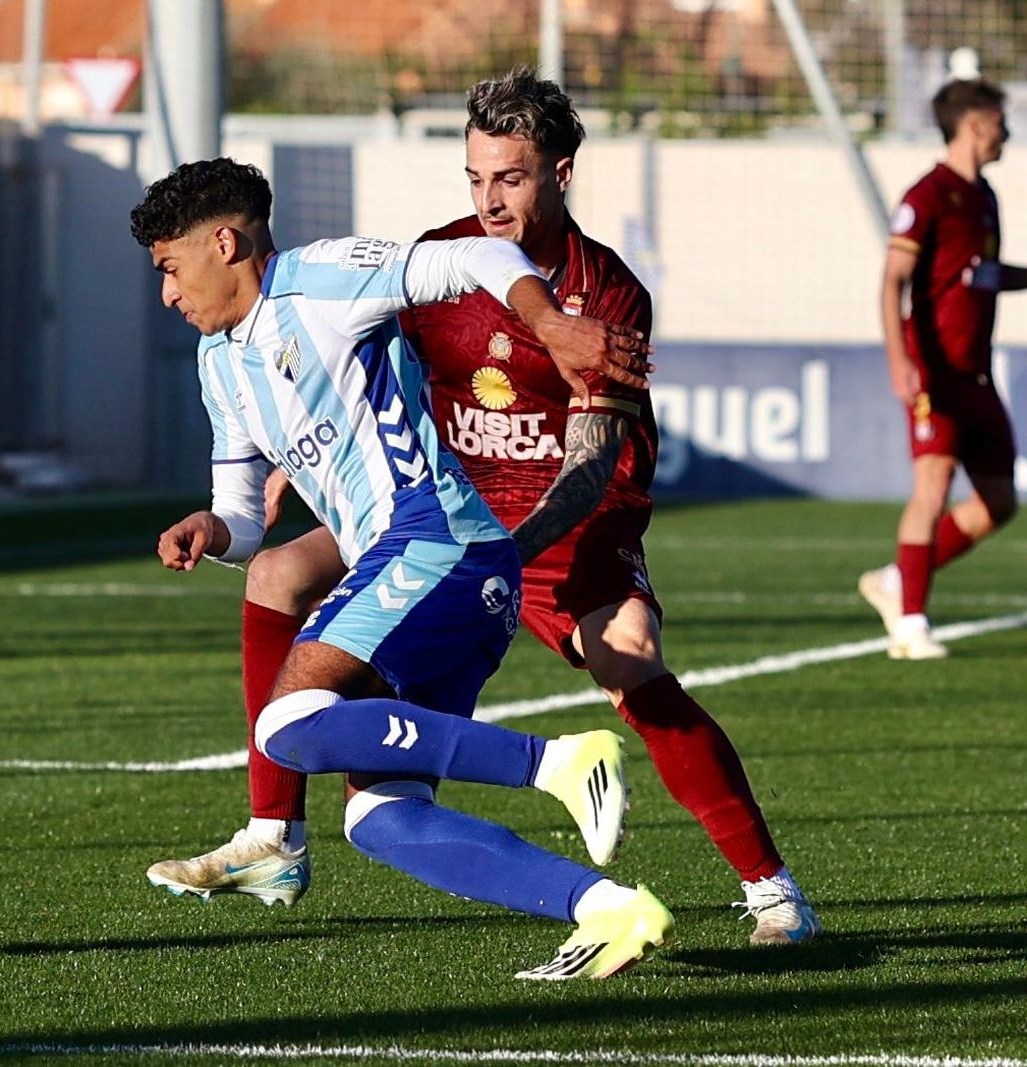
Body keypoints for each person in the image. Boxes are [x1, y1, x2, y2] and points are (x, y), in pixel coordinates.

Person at [145, 70, 821, 946]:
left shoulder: (606, 293)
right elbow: (346, 370)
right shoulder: (439, 261)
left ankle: (771, 888)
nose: (490, 200)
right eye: (476, 178)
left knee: (630, 656)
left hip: (559, 515)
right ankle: (275, 832)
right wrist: (273, 470)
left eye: (511, 177)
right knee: (277, 570)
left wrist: (504, 545)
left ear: (561, 172)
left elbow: (591, 464)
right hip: (441, 504)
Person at [132, 156, 673, 980]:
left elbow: (478, 258)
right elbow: (243, 513)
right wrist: (213, 526)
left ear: (225, 242)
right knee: (383, 817)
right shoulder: (218, 366)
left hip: (437, 544)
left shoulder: (322, 279)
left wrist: (554, 322)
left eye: (171, 269)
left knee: (288, 723)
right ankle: (607, 908)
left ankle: (557, 761)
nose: (168, 294)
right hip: (433, 573)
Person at [860, 78, 1021, 660]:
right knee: (932, 483)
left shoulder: (985, 196)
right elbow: (893, 281)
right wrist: (900, 360)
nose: (1008, 130)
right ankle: (910, 624)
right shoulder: (927, 194)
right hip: (933, 371)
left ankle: (898, 579)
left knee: (999, 501)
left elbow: (980, 273)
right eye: (1001, 120)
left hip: (975, 373)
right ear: (975, 124)